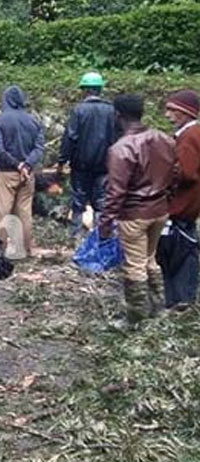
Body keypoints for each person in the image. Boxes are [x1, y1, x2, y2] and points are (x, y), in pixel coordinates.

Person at [100, 94, 175, 324]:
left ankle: (135, 317)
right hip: (160, 210)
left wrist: (105, 222)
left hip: (134, 214)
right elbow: (176, 174)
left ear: (118, 116)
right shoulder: (164, 139)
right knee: (150, 259)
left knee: (134, 265)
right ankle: (158, 307)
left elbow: (116, 192)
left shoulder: (121, 149)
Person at [58, 71, 116, 239]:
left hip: (81, 166)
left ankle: (75, 237)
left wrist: (62, 160)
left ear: (84, 90)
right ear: (100, 90)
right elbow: (116, 137)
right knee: (101, 203)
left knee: (78, 202)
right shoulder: (111, 111)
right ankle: (101, 237)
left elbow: (70, 137)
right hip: (104, 166)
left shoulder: (79, 110)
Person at [157, 90, 200, 309]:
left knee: (180, 255)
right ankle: (180, 300)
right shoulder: (190, 134)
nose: (168, 115)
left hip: (182, 206)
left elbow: (186, 173)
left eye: (172, 110)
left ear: (186, 113)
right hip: (189, 205)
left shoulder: (189, 136)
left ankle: (180, 301)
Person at [0, 86, 44, 257]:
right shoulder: (34, 121)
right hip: (28, 174)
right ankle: (25, 248)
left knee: (2, 212)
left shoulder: (0, 121)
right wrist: (27, 165)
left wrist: (16, 164)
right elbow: (39, 148)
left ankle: (1, 249)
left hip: (6, 173)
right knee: (25, 212)